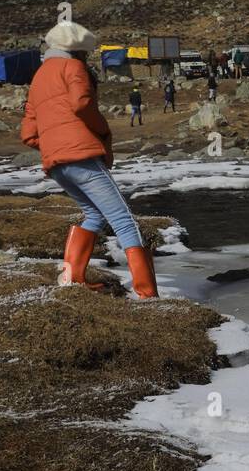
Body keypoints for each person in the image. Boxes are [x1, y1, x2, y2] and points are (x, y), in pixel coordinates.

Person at [19, 21, 157, 298]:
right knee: (124, 220)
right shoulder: (73, 68)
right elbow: (82, 103)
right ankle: (147, 294)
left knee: (94, 214)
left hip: (57, 164)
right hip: (82, 156)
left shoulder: (39, 77)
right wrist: (101, 132)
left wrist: (54, 148)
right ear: (78, 51)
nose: (87, 57)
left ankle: (72, 278)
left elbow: (28, 133)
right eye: (85, 52)